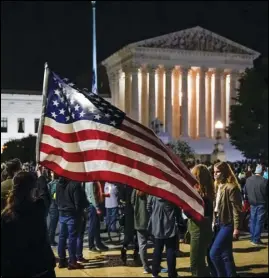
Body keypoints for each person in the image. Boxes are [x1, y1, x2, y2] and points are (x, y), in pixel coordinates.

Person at [1, 171, 56, 277]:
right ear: (33, 189)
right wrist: (41, 177)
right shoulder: (39, 208)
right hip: (41, 267)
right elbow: (44, 195)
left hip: (17, 269)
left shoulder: (5, 217)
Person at [209, 161, 242, 277]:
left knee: (213, 254)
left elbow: (237, 210)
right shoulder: (216, 185)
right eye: (214, 172)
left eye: (218, 172)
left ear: (224, 172)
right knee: (226, 255)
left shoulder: (231, 187)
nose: (215, 174)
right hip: (217, 222)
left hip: (227, 223)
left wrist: (237, 228)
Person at [188, 164, 214, 277]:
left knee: (196, 264)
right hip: (203, 230)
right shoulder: (207, 193)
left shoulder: (200, 196)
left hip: (199, 231)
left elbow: (191, 214)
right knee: (201, 263)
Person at [56, 177, 86, 269]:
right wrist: (81, 214)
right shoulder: (75, 185)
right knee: (72, 238)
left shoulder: (58, 184)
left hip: (62, 213)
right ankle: (72, 261)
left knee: (62, 237)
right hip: (72, 214)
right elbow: (78, 203)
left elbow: (56, 199)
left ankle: (62, 260)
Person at [147, 195, 180, 278]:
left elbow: (148, 207)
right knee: (170, 251)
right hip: (169, 226)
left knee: (157, 250)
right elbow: (176, 209)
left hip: (157, 226)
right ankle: (171, 274)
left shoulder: (153, 194)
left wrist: (155, 215)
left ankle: (154, 273)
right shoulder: (170, 193)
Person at [244, 164, 268, 246]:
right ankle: (256, 239)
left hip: (252, 202)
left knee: (253, 221)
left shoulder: (248, 180)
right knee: (259, 222)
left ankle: (253, 238)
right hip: (262, 203)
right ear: (262, 171)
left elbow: (245, 191)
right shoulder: (265, 181)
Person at [85, 181, 108, 253]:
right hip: (93, 206)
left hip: (94, 205)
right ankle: (91, 245)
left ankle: (98, 243)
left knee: (96, 226)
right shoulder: (91, 183)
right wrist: (97, 207)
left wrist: (103, 195)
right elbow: (92, 195)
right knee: (93, 226)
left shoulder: (91, 182)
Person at [131, 189, 150, 274]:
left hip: (139, 220)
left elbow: (132, 201)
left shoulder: (135, 188)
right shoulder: (149, 188)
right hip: (150, 221)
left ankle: (145, 267)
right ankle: (156, 265)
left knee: (142, 245)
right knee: (158, 244)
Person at [47, 171, 60, 246]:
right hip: (55, 205)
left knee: (52, 224)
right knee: (53, 224)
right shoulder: (56, 184)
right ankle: (51, 240)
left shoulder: (50, 183)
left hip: (51, 205)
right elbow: (54, 195)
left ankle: (51, 240)